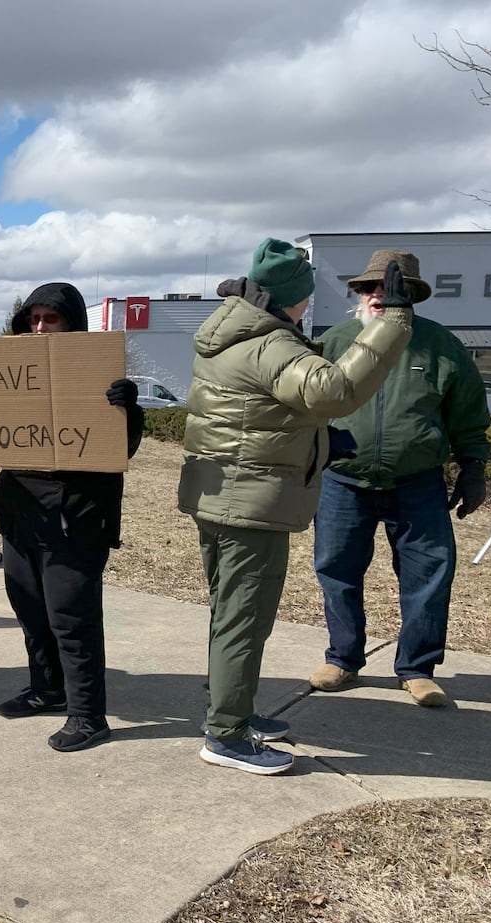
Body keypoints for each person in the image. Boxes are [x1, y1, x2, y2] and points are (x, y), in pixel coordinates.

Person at [179, 239, 415, 776]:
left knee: (230, 613)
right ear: (294, 299)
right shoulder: (270, 344)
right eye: (307, 298)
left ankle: (231, 710)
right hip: (251, 505)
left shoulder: (230, 334)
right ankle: (227, 734)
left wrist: (324, 443)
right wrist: (392, 322)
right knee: (245, 617)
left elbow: (259, 418)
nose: (310, 306)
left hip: (220, 495)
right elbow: (332, 390)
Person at [310, 248, 491, 708]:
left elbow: (468, 412)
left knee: (429, 574)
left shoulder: (440, 346)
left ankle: (417, 668)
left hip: (417, 482)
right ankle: (343, 659)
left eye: (392, 290)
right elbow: (308, 404)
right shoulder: (336, 341)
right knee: (337, 570)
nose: (379, 297)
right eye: (371, 288)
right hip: (343, 481)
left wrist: (473, 469)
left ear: (410, 297)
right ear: (360, 294)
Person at [0, 283, 145, 751]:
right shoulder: (11, 375)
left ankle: (88, 715)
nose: (40, 327)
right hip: (22, 513)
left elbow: (124, 448)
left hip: (74, 519)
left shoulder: (98, 375)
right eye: (33, 319)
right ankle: (47, 689)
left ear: (72, 323)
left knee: (71, 619)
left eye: (50, 319)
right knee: (31, 613)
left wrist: (128, 410)